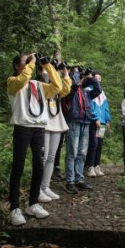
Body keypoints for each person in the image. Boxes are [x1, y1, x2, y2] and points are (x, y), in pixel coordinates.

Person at [7, 53, 63, 226]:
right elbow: (23, 79)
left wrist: (47, 65)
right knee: (18, 166)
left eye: (31, 61)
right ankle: (14, 208)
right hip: (22, 127)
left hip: (39, 128)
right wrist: (31, 64)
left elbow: (57, 86)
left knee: (39, 165)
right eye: (25, 61)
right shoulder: (12, 82)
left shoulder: (38, 85)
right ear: (17, 66)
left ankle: (33, 203)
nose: (31, 63)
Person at [36, 63, 72, 201]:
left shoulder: (56, 88)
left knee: (51, 156)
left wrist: (65, 72)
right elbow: (45, 80)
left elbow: (66, 89)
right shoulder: (39, 85)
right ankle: (38, 188)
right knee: (43, 157)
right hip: (44, 122)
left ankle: (46, 187)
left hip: (56, 121)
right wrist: (45, 70)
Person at [64, 68, 102, 194]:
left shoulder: (86, 92)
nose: (80, 76)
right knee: (72, 152)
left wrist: (90, 78)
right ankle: (70, 181)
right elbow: (73, 88)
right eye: (77, 74)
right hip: (74, 121)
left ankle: (79, 179)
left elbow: (98, 90)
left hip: (86, 122)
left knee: (82, 153)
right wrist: (77, 77)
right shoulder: (69, 90)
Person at [85, 71, 111, 178]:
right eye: (96, 78)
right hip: (93, 122)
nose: (98, 80)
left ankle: (96, 165)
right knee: (93, 143)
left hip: (102, 123)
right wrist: (95, 118)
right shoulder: (89, 90)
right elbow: (90, 106)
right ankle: (90, 167)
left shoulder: (102, 93)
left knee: (99, 144)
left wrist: (107, 120)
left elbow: (105, 107)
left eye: (100, 78)